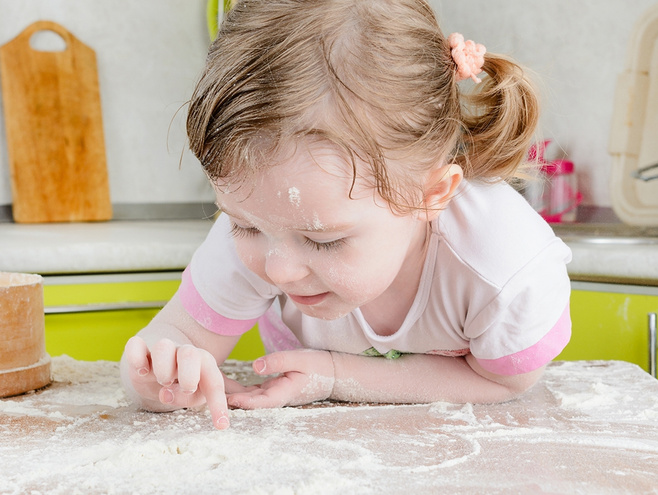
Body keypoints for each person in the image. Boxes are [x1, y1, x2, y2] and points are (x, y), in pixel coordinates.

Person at [120, 0, 572, 430]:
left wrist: (335, 375)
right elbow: (180, 335)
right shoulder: (274, 218)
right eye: (244, 224)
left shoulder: (506, 270)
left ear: (433, 194)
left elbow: (503, 380)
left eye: (323, 241)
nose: (278, 268)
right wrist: (161, 374)